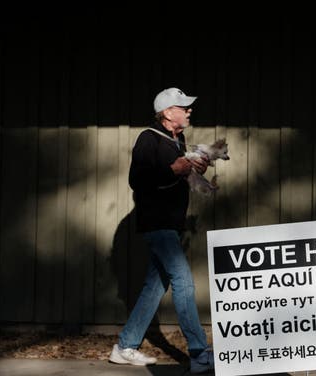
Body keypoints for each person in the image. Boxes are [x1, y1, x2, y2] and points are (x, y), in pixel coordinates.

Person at [108, 87, 215, 374]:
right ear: (168, 113)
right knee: (184, 282)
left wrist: (193, 170)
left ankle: (125, 346)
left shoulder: (177, 140)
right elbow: (138, 181)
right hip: (157, 224)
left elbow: (175, 175)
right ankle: (199, 354)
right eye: (184, 107)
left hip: (170, 224)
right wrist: (174, 170)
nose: (189, 110)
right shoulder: (149, 138)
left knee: (155, 287)